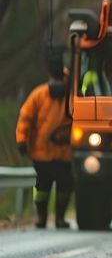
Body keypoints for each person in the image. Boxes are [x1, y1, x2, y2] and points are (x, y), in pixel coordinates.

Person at [16, 58, 74, 229]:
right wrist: (21, 140)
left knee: (63, 186)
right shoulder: (40, 95)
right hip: (45, 154)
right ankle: (43, 218)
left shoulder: (70, 98)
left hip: (61, 154)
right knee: (43, 187)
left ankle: (58, 219)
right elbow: (25, 119)